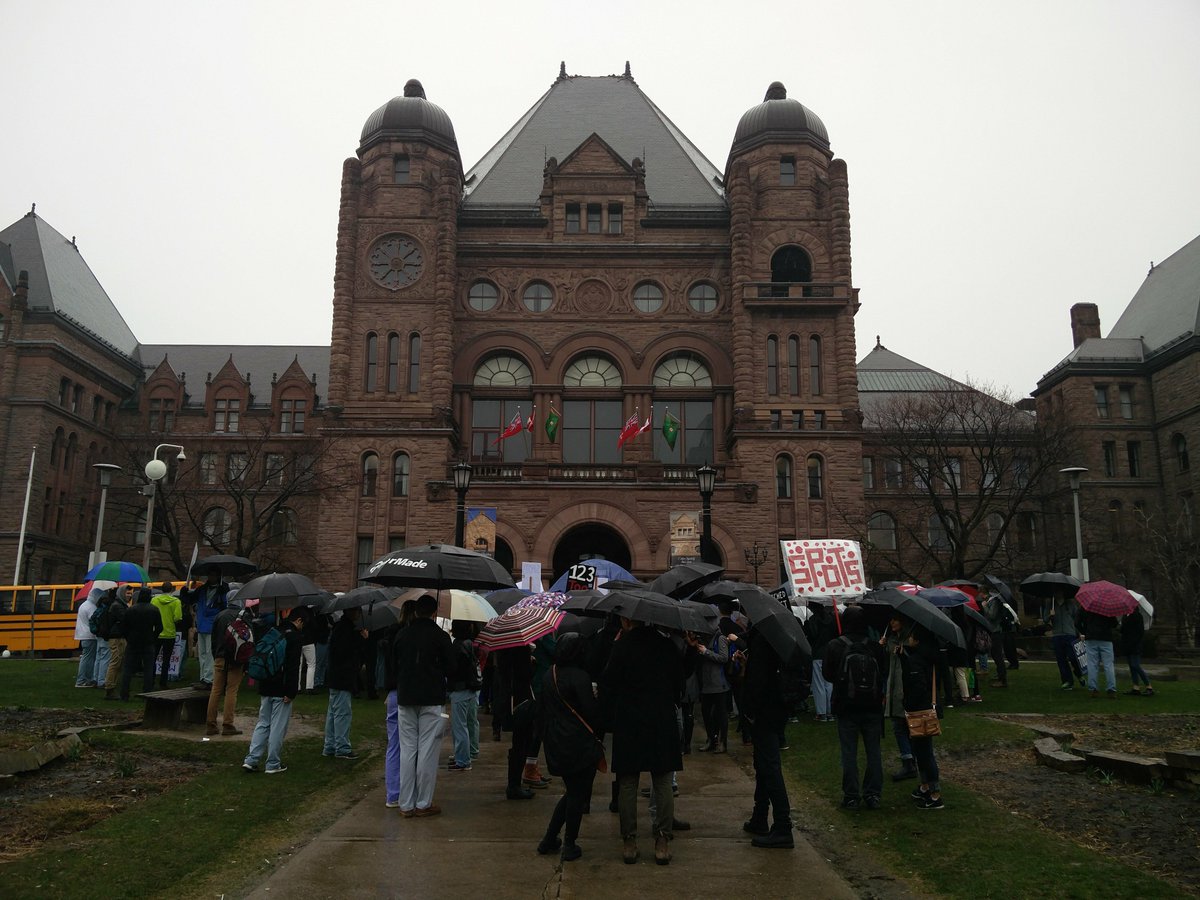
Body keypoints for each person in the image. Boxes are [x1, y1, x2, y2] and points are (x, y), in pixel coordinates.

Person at [600, 617, 683, 866]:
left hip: (629, 720)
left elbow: (608, 681)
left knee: (627, 782)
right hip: (661, 719)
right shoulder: (666, 645)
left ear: (628, 620)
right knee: (663, 781)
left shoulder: (622, 646)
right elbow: (680, 681)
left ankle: (629, 842)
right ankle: (662, 841)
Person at [536, 632, 603, 863]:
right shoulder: (580, 677)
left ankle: (549, 839)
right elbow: (592, 712)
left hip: (555, 741)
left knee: (572, 791)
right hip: (578, 743)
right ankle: (569, 843)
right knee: (576, 794)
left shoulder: (549, 674)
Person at [391, 594, 455, 816]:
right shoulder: (440, 636)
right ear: (434, 612)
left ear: (416, 611)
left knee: (408, 750)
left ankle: (406, 803)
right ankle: (423, 802)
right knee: (427, 751)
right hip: (431, 697)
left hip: (406, 696)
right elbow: (451, 667)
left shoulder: (402, 634)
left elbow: (394, 664)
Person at [823, 606, 885, 810]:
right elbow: (883, 672)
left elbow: (827, 674)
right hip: (872, 705)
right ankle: (873, 794)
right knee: (873, 751)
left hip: (846, 705)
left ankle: (851, 795)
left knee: (849, 752)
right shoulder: (875, 646)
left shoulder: (835, 645)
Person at [741, 625, 794, 848]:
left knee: (769, 766)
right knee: (763, 764)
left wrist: (750, 711)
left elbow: (758, 680)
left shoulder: (763, 639)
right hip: (776, 708)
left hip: (765, 711)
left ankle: (782, 826)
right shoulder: (778, 635)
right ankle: (760, 816)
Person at [242, 606, 307, 774]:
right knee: (278, 726)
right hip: (281, 687)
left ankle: (251, 759)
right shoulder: (294, 637)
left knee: (263, 723)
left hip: (266, 683)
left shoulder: (272, 631)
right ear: (299, 620)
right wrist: (291, 691)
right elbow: (293, 666)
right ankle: (272, 763)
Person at [899, 622, 944, 809]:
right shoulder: (930, 657)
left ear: (917, 640)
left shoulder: (917, 661)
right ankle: (925, 786)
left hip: (920, 710)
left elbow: (917, 687)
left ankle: (934, 794)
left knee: (925, 753)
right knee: (921, 750)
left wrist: (907, 705)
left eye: (911, 637)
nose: (909, 639)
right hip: (929, 708)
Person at [324, 607, 367, 759]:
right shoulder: (346, 630)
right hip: (343, 676)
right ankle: (341, 747)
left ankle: (330, 745)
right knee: (342, 713)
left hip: (336, 676)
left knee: (333, 713)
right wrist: (361, 639)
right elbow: (346, 652)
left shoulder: (340, 628)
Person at [207, 600, 253, 736]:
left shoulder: (220, 615)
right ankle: (228, 724)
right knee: (231, 690)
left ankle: (210, 724)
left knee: (215, 690)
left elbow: (213, 638)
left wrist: (216, 654)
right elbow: (250, 639)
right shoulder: (244, 615)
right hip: (236, 659)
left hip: (220, 656)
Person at [882, 616, 918, 781]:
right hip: (894, 685)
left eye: (895, 620)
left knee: (905, 725)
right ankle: (909, 759)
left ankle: (910, 761)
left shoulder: (911, 641)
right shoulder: (890, 639)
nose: (892, 622)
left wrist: (906, 650)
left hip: (905, 687)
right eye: (891, 620)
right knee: (898, 725)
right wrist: (882, 647)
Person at [182, 572, 229, 688]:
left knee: (209, 653)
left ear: (218, 576)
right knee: (202, 653)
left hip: (212, 625)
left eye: (213, 575)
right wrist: (184, 593)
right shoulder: (202, 589)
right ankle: (203, 677)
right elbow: (190, 599)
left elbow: (225, 606)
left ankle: (209, 679)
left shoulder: (222, 590)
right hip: (202, 624)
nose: (211, 577)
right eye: (210, 575)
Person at [688, 628, 730, 753]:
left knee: (721, 714)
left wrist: (706, 652)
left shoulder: (720, 638)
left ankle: (722, 742)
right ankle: (711, 739)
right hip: (706, 683)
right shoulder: (702, 639)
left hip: (719, 683)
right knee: (705, 713)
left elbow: (724, 658)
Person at [447, 620, 482, 772]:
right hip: (471, 688)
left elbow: (453, 668)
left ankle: (462, 760)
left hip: (459, 688)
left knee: (459, 726)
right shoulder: (470, 644)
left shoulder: (457, 646)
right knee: (470, 722)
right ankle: (468, 752)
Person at [121, 588, 163, 701]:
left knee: (128, 668)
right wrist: (153, 637)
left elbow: (124, 627)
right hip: (148, 641)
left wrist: (129, 638)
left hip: (133, 641)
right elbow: (160, 627)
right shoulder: (154, 609)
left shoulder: (131, 610)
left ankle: (124, 693)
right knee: (148, 668)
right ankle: (147, 692)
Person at [1078, 606, 1118, 698]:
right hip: (1106, 638)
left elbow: (1077, 622)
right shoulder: (1108, 606)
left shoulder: (1086, 606)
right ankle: (1111, 689)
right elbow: (1114, 623)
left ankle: (1093, 689)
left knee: (1092, 664)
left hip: (1091, 637)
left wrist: (1085, 631)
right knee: (1108, 664)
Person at [1050, 594, 1086, 689]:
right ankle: (1067, 681)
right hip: (1057, 634)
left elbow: (1077, 619)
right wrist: (1051, 616)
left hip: (1070, 634)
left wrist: (1080, 633)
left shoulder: (1071, 604)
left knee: (1073, 657)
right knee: (1061, 660)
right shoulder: (1051, 604)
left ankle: (1079, 674)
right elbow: (1046, 620)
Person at [101, 585, 130, 700]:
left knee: (118, 662)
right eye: (127, 593)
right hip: (117, 637)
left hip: (118, 636)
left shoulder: (119, 605)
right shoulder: (118, 606)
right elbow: (125, 620)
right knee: (115, 661)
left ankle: (111, 686)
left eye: (130, 593)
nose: (129, 596)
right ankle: (109, 687)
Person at [151, 583, 183, 687]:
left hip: (156, 633)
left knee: (153, 658)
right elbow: (177, 618)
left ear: (161, 589)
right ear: (172, 589)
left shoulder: (154, 600)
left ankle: (151, 680)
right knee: (166, 659)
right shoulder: (176, 601)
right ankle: (163, 682)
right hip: (170, 634)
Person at [1121, 611, 1154, 696]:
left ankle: (1149, 686)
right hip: (1127, 644)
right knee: (1132, 667)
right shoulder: (1125, 616)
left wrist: (1134, 641)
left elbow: (1140, 631)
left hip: (1135, 644)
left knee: (1135, 665)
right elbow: (1123, 630)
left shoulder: (1137, 616)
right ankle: (1136, 687)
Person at [74, 587, 102, 687]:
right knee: (88, 659)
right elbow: (94, 620)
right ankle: (83, 680)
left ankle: (83, 679)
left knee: (86, 657)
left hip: (83, 635)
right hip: (90, 636)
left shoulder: (84, 605)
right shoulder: (91, 607)